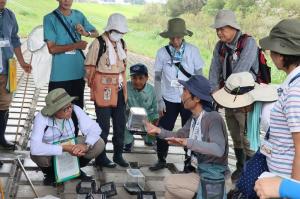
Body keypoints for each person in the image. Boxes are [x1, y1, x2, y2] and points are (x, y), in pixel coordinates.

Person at [146, 75, 228, 199]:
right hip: (200, 171)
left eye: (185, 91)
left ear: (196, 98)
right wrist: (158, 131)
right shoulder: (194, 118)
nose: (181, 95)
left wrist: (188, 142)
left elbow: (218, 149)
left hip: (213, 175)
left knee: (169, 182)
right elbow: (179, 136)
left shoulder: (213, 118)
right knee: (169, 194)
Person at [208, 9, 259, 181]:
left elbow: (241, 71)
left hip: (245, 98)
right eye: (217, 29)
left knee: (247, 136)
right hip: (228, 97)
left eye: (222, 29)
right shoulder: (220, 46)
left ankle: (252, 171)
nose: (219, 32)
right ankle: (240, 166)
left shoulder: (248, 43)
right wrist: (215, 91)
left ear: (233, 28)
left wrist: (224, 92)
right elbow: (214, 69)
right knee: (234, 133)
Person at [152, 17, 205, 171]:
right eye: (172, 37)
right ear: (168, 36)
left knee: (190, 131)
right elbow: (157, 77)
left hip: (188, 98)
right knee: (163, 128)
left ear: (184, 36)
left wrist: (199, 98)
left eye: (178, 37)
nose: (176, 40)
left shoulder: (193, 51)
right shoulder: (162, 53)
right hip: (168, 98)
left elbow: (199, 75)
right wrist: (158, 99)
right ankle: (161, 158)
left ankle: (189, 161)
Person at [43, 0, 99, 136]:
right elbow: (52, 49)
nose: (67, 1)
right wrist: (76, 45)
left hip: (77, 72)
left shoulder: (79, 15)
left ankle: (73, 145)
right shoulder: (50, 18)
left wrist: (85, 33)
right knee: (55, 111)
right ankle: (53, 145)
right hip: (59, 75)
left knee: (76, 110)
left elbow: (96, 33)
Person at [30, 88, 105, 186]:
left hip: (72, 148)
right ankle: (51, 174)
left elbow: (95, 129)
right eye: (66, 108)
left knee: (99, 143)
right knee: (37, 155)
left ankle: (75, 170)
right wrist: (64, 148)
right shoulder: (41, 118)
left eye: (70, 105)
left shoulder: (75, 110)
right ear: (54, 111)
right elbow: (35, 148)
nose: (70, 109)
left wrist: (86, 146)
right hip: (52, 152)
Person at [85, 13, 129, 168]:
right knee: (103, 126)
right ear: (110, 29)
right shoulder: (98, 43)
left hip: (119, 91)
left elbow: (123, 66)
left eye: (122, 32)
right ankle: (100, 157)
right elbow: (89, 67)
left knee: (120, 124)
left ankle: (118, 155)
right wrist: (94, 88)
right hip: (103, 92)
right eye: (117, 31)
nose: (120, 34)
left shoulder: (122, 43)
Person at [259, 18, 300, 179]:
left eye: (272, 50)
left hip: (286, 182)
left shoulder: (295, 92)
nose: (270, 54)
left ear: (282, 55)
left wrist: (291, 191)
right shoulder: (292, 85)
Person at [0, 0, 32, 151]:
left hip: (7, 68)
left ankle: (1, 138)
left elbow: (15, 40)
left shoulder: (10, 15)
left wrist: (23, 62)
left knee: (4, 105)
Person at [123, 63, 159, 152]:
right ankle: (128, 142)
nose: (137, 81)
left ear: (147, 78)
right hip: (130, 117)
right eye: (134, 78)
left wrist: (155, 121)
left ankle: (150, 139)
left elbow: (156, 109)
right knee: (121, 118)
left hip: (146, 118)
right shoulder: (126, 87)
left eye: (141, 78)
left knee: (155, 122)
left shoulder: (152, 90)